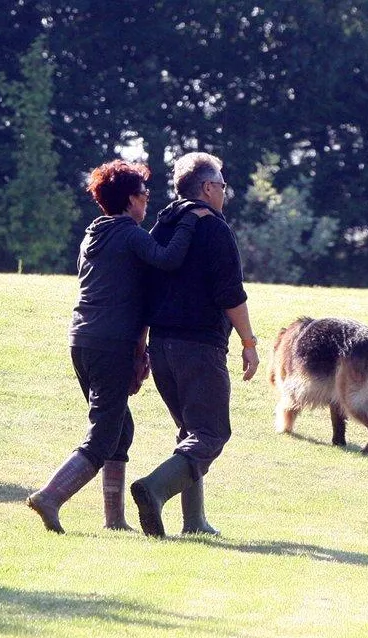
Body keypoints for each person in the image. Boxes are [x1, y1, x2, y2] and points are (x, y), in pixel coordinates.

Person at [27, 159, 210, 534]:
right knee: (103, 434)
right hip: (110, 343)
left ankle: (115, 520)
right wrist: (191, 219)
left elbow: (132, 292)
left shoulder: (93, 233)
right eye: (144, 195)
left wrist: (138, 349)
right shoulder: (128, 232)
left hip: (82, 339)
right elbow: (168, 259)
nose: (147, 202)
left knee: (119, 427)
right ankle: (50, 496)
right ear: (130, 199)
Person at [131, 152, 259, 538]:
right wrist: (249, 343)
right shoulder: (213, 228)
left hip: (162, 345)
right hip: (199, 346)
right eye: (221, 184)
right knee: (211, 433)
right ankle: (154, 489)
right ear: (206, 187)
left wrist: (142, 347)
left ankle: (195, 521)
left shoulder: (161, 226)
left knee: (190, 430)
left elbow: (144, 289)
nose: (224, 191)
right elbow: (230, 293)